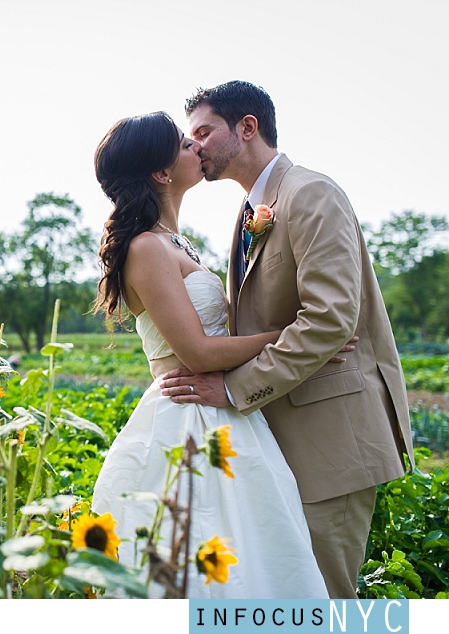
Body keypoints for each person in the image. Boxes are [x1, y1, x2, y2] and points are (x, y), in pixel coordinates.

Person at [159, 81, 415, 598]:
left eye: (204, 132)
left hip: (330, 441)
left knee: (327, 600)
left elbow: (329, 318)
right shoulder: (248, 213)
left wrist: (232, 389)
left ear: (247, 127)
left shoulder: (311, 192)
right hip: (279, 439)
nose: (195, 147)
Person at [90, 111, 328, 598]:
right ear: (160, 173)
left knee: (256, 554)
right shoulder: (147, 248)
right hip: (188, 417)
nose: (195, 148)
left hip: (222, 409)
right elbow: (197, 351)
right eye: (183, 144)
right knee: (206, 562)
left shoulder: (179, 244)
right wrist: (294, 335)